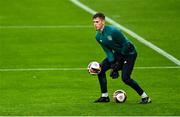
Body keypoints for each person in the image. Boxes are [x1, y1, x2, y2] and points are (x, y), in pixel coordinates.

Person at [92, 12, 151, 104]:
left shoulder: (113, 31)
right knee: (100, 69)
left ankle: (145, 97)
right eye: (94, 22)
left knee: (126, 78)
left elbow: (126, 44)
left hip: (129, 53)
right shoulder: (98, 36)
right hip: (119, 54)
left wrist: (118, 64)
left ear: (103, 22)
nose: (95, 24)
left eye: (97, 22)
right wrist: (112, 64)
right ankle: (105, 96)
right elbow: (108, 51)